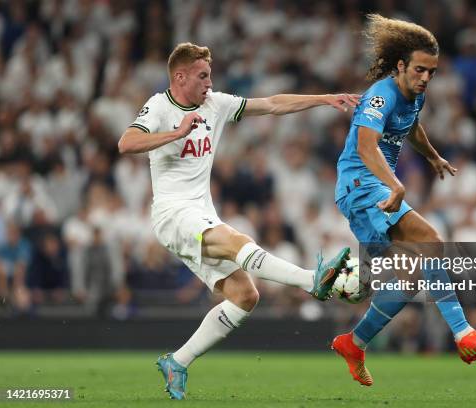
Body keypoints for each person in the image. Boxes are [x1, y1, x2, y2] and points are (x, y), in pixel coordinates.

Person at [118, 42, 358, 400]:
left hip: (202, 213)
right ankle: (313, 281)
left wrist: (323, 98)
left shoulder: (215, 104)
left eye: (210, 75)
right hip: (173, 213)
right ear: (179, 77)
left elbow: (273, 104)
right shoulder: (159, 105)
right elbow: (126, 142)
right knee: (236, 238)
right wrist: (177, 133)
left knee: (246, 296)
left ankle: (177, 362)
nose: (209, 83)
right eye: (202, 76)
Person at [330, 15, 476, 386]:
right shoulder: (382, 94)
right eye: (419, 70)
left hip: (374, 187)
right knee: (430, 241)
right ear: (401, 66)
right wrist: (396, 185)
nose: (426, 77)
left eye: (432, 71)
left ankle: (354, 342)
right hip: (361, 184)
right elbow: (366, 146)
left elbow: (410, 125)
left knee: (411, 279)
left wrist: (431, 155)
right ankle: (464, 335)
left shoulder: (415, 93)